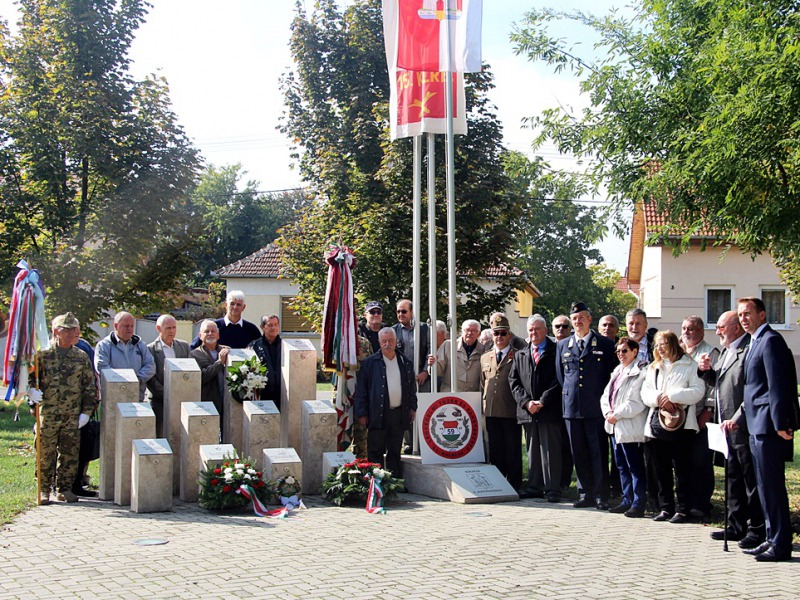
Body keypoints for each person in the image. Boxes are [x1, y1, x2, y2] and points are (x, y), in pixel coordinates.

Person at [722, 297, 799, 562]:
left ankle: (780, 545)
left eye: (748, 313)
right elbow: (751, 390)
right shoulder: (754, 341)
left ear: (763, 315)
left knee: (773, 488)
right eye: (740, 314)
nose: (743, 318)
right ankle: (770, 539)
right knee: (764, 488)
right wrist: (739, 418)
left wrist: (782, 424)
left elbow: (778, 385)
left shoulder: (771, 341)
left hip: (769, 428)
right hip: (754, 426)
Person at [698, 310, 764, 549]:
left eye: (722, 327)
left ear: (736, 328)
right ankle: (736, 526)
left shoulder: (748, 350)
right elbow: (721, 384)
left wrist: (737, 417)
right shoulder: (726, 351)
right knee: (732, 478)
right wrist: (706, 372)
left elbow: (751, 389)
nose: (717, 332)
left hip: (744, 424)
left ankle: (757, 529)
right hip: (725, 425)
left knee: (750, 480)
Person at [28, 313, 97, 504]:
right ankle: (43, 490)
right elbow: (29, 378)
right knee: (45, 453)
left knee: (70, 454)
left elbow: (89, 386)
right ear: (56, 331)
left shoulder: (81, 356)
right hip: (48, 413)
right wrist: (30, 394)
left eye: (75, 330)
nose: (72, 333)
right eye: (67, 329)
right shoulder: (42, 354)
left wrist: (86, 412)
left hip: (72, 414)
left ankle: (64, 489)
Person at [555, 302, 617, 510]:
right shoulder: (563, 345)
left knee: (598, 452)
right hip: (572, 407)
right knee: (578, 453)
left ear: (590, 320)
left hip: (596, 408)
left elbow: (611, 377)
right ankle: (585, 492)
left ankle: (601, 495)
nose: (578, 321)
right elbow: (561, 376)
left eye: (582, 317)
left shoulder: (605, 345)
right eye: (574, 319)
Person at [641, 331, 706, 524]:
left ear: (673, 344)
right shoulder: (654, 367)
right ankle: (665, 507)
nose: (660, 348)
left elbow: (698, 391)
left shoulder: (690, 365)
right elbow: (645, 392)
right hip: (657, 423)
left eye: (663, 344)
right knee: (660, 469)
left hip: (682, 426)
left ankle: (683, 509)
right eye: (657, 345)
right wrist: (659, 399)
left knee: (682, 469)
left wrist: (673, 396)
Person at [509, 314, 563, 502]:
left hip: (549, 410)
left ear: (546, 331)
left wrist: (542, 401)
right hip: (528, 411)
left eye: (537, 329)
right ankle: (534, 487)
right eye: (530, 329)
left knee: (551, 451)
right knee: (532, 451)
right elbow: (513, 381)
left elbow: (559, 380)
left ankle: (552, 489)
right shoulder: (520, 354)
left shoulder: (556, 351)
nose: (533, 333)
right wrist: (526, 402)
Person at [354, 328, 417, 475]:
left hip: (399, 413)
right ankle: (376, 482)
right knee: (375, 450)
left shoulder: (405, 362)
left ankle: (394, 481)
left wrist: (412, 407)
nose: (387, 344)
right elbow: (361, 390)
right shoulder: (370, 363)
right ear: (379, 342)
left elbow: (411, 388)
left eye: (390, 341)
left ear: (396, 342)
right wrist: (362, 413)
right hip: (377, 413)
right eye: (384, 341)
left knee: (395, 450)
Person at [600, 337, 648, 517]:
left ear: (634, 351)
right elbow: (605, 396)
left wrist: (616, 415)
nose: (621, 354)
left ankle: (638, 502)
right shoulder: (617, 371)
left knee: (635, 466)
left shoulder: (641, 372)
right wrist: (607, 414)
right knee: (621, 466)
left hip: (630, 427)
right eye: (618, 351)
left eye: (624, 351)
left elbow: (636, 403)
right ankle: (626, 499)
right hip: (614, 427)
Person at [681, 315, 719, 519]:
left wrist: (709, 410)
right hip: (678, 418)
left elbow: (715, 383)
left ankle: (701, 504)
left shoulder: (710, 352)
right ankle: (685, 502)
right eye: (684, 328)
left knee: (701, 461)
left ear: (702, 332)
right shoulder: (677, 350)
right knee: (683, 462)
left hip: (700, 414)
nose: (687, 332)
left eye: (692, 329)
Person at [480, 314, 522, 491]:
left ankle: (514, 483)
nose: (499, 337)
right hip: (491, 409)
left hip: (510, 410)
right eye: (496, 334)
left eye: (503, 333)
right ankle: (498, 481)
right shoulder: (485, 357)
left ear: (509, 335)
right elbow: (483, 383)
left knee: (512, 448)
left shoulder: (518, 356)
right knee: (495, 449)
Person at [95, 311, 155, 401]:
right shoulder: (104, 346)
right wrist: (123, 381)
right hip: (113, 398)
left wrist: (138, 379)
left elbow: (150, 365)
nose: (130, 329)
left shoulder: (140, 345)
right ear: (116, 326)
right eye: (126, 326)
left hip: (136, 397)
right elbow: (102, 367)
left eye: (132, 326)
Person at [146, 314, 190, 437]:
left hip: (181, 400)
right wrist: (167, 394)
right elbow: (150, 378)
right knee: (161, 436)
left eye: (174, 328)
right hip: (159, 401)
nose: (172, 331)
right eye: (168, 328)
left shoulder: (184, 346)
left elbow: (189, 372)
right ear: (158, 328)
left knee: (179, 435)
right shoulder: (150, 349)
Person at [190, 320, 231, 424]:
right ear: (200, 335)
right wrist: (219, 362)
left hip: (228, 401)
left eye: (213, 331)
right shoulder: (194, 354)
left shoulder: (227, 351)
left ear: (218, 335)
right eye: (206, 331)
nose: (210, 334)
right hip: (208, 402)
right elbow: (201, 377)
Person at [191, 290, 260, 350]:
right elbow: (193, 348)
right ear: (226, 305)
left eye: (238, 304)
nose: (235, 307)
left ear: (244, 307)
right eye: (232, 304)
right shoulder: (214, 327)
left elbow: (261, 349)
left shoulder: (251, 329)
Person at [431, 319, 485, 393]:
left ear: (479, 334)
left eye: (474, 330)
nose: (470, 333)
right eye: (467, 330)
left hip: (473, 397)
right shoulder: (449, 345)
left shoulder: (483, 350)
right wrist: (433, 364)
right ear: (462, 332)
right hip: (451, 395)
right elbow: (438, 371)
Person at [392, 299, 430, 392]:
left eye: (404, 311)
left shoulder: (425, 329)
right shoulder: (393, 331)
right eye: (398, 311)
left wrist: (425, 371)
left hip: (422, 379)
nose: (400, 314)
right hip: (401, 379)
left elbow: (431, 349)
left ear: (412, 312)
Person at [248, 314, 282, 408]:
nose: (273, 328)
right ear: (262, 327)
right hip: (263, 394)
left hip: (282, 394)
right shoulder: (254, 346)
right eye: (270, 325)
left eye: (276, 324)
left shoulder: (285, 346)